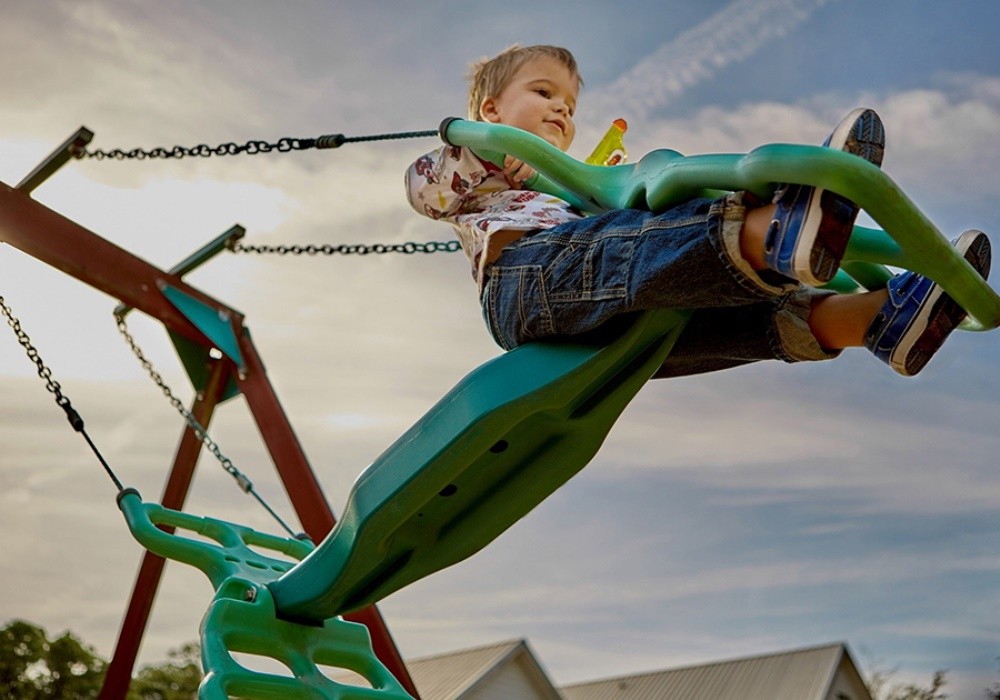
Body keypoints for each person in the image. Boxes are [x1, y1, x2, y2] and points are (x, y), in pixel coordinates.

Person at [405, 44, 991, 377]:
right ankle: (772, 231)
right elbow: (424, 189)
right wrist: (481, 146)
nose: (560, 110)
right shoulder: (471, 170)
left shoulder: (570, 185)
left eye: (568, 104)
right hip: (525, 289)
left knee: (705, 319)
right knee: (639, 239)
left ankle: (874, 319)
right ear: (489, 110)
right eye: (543, 93)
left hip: (597, 327)